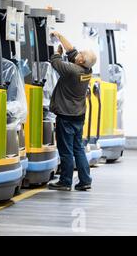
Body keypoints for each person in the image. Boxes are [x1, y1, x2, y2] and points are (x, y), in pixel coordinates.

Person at [48, 31, 97, 192]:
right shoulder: (86, 70)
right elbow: (72, 51)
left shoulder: (72, 71)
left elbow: (54, 62)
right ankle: (85, 180)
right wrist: (60, 36)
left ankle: (65, 181)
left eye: (80, 53)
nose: (78, 53)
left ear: (81, 60)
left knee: (66, 150)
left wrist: (57, 52)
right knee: (78, 148)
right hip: (78, 115)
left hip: (66, 116)